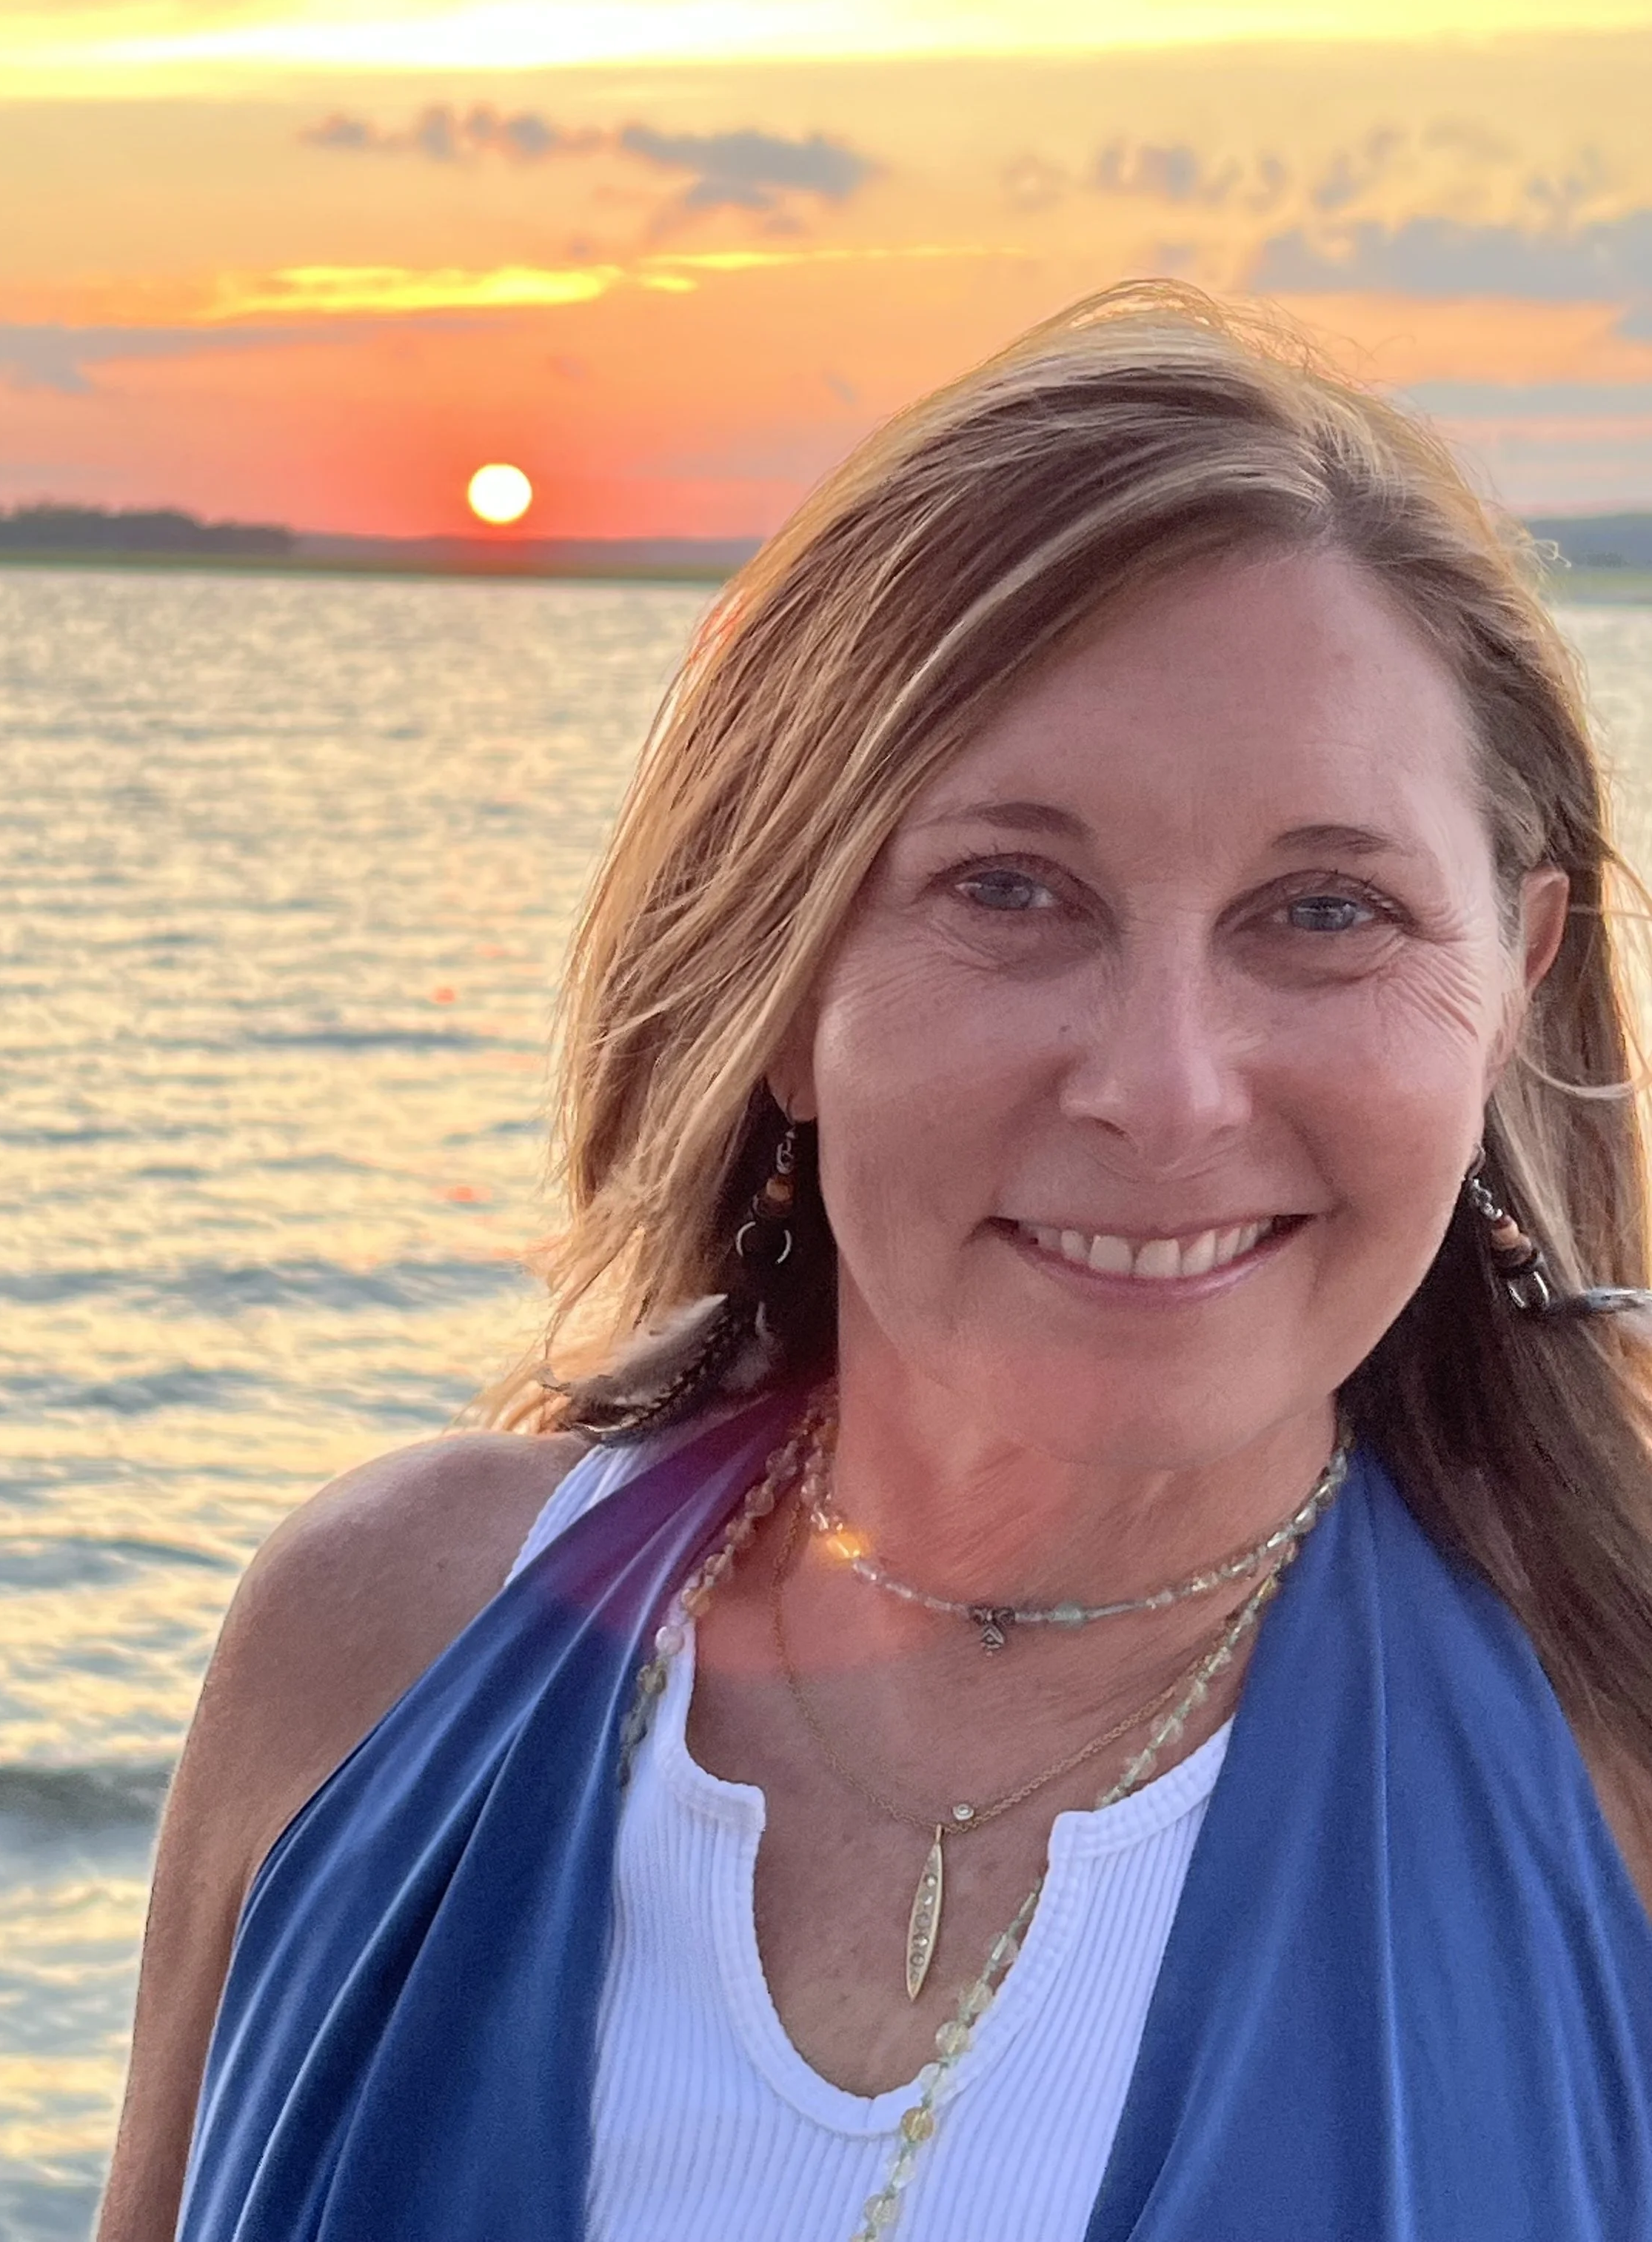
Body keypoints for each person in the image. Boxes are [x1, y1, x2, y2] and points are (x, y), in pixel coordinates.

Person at [98, 283, 1652, 2242]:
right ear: (780, 960)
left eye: (1322, 909)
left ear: (1503, 988)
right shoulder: (376, 1650)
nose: (1162, 1089)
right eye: (1011, 888)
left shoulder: (1612, 1777)